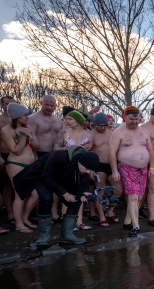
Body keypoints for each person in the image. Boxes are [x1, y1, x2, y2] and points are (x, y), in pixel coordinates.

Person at [13, 146, 99, 246]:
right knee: (46, 198)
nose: (88, 172)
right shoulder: (59, 155)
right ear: (79, 161)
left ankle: (67, 235)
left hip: (62, 178)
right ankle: (44, 237)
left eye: (90, 170)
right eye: (86, 169)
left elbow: (83, 181)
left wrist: (84, 192)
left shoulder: (84, 166)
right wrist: (64, 193)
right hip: (41, 175)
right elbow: (46, 176)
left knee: (76, 199)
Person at [109, 105, 154, 237]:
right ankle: (136, 226)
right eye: (131, 119)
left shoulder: (144, 132)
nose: (134, 122)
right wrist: (114, 171)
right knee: (133, 197)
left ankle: (128, 221)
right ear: (124, 118)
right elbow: (112, 152)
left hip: (144, 168)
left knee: (139, 197)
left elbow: (150, 151)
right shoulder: (118, 132)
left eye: (136, 119)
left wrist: (151, 167)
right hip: (126, 166)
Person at [0, 103, 40, 233]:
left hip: (31, 164)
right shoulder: (6, 131)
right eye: (25, 115)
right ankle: (19, 224)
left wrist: (29, 135)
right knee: (20, 195)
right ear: (17, 116)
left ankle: (25, 217)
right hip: (16, 164)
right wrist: (22, 137)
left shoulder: (29, 128)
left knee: (35, 195)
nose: (28, 117)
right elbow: (15, 150)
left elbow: (37, 146)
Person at [89, 112, 122, 225]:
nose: (103, 128)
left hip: (111, 165)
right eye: (100, 125)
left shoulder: (111, 133)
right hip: (98, 165)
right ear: (94, 124)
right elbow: (87, 152)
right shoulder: (90, 135)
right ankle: (102, 216)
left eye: (105, 125)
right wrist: (90, 169)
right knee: (100, 191)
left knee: (118, 190)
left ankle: (110, 211)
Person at [0, 96, 17, 231]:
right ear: (2, 105)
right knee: (6, 186)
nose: (10, 107)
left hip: (18, 156)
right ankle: (10, 213)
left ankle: (19, 213)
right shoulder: (1, 120)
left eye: (13, 105)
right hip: (4, 155)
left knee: (16, 185)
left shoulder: (18, 120)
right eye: (7, 104)